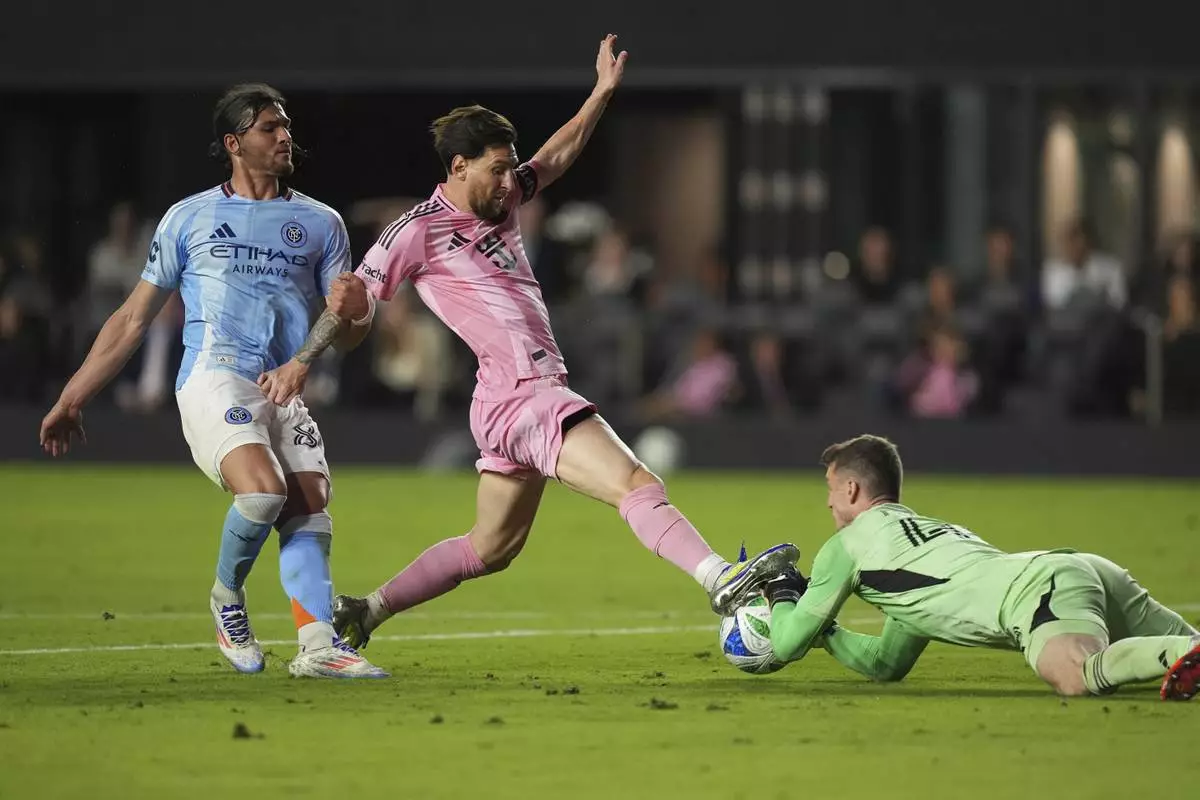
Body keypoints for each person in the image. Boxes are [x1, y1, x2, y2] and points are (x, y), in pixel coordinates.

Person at [257, 34, 798, 651]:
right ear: (458, 167)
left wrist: (599, 94)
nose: (508, 182)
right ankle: (721, 579)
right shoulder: (414, 232)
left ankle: (367, 610)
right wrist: (303, 361)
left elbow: (557, 156)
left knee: (490, 549)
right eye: (495, 170)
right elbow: (350, 303)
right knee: (638, 486)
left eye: (510, 169)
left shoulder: (503, 196)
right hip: (524, 395)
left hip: (505, 402)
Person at [39, 83, 386, 679]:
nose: (285, 137)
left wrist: (357, 312)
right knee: (262, 492)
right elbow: (131, 319)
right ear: (234, 142)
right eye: (269, 128)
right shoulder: (189, 218)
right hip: (214, 377)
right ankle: (228, 599)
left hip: (285, 382)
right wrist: (73, 397)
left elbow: (345, 332)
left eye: (286, 127)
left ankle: (318, 647)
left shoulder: (322, 223)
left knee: (309, 505)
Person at [741, 434, 1200, 701]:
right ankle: (1184, 649)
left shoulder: (847, 546)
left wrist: (783, 591)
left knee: (1077, 675)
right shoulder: (918, 543)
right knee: (1190, 641)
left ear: (854, 490)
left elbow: (785, 642)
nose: (827, 502)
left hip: (1040, 591)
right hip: (1081, 568)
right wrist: (828, 631)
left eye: (831, 488)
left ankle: (1172, 654)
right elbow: (887, 663)